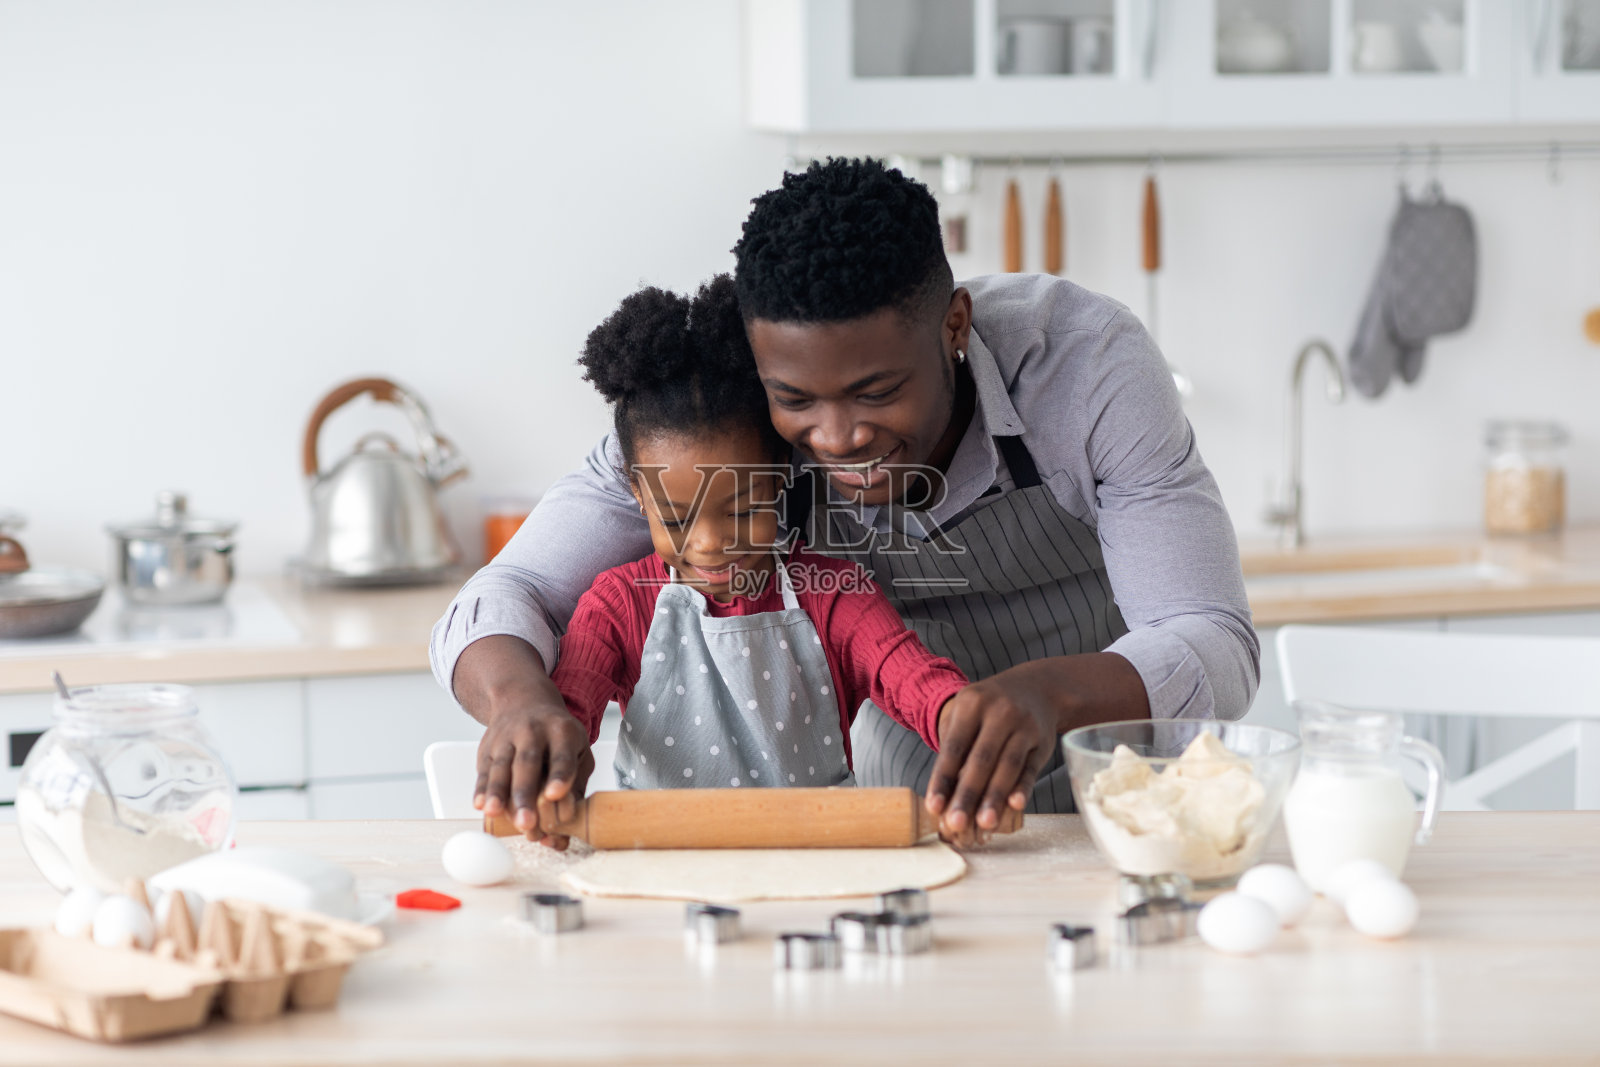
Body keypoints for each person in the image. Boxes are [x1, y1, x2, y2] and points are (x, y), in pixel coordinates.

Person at [432, 157, 1258, 844]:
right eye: (797, 400)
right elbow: (507, 596)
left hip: (1128, 785)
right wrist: (522, 700)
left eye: (876, 391)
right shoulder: (727, 404)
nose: (836, 436)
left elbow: (1213, 639)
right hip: (919, 806)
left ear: (956, 326)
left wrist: (1051, 693)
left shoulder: (1085, 368)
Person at [529, 276, 968, 848]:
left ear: (781, 477)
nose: (710, 545)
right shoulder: (618, 606)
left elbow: (910, 677)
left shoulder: (833, 594)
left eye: (740, 511)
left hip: (822, 858)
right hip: (656, 859)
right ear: (637, 495)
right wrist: (551, 760)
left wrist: (961, 720)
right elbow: (571, 705)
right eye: (679, 519)